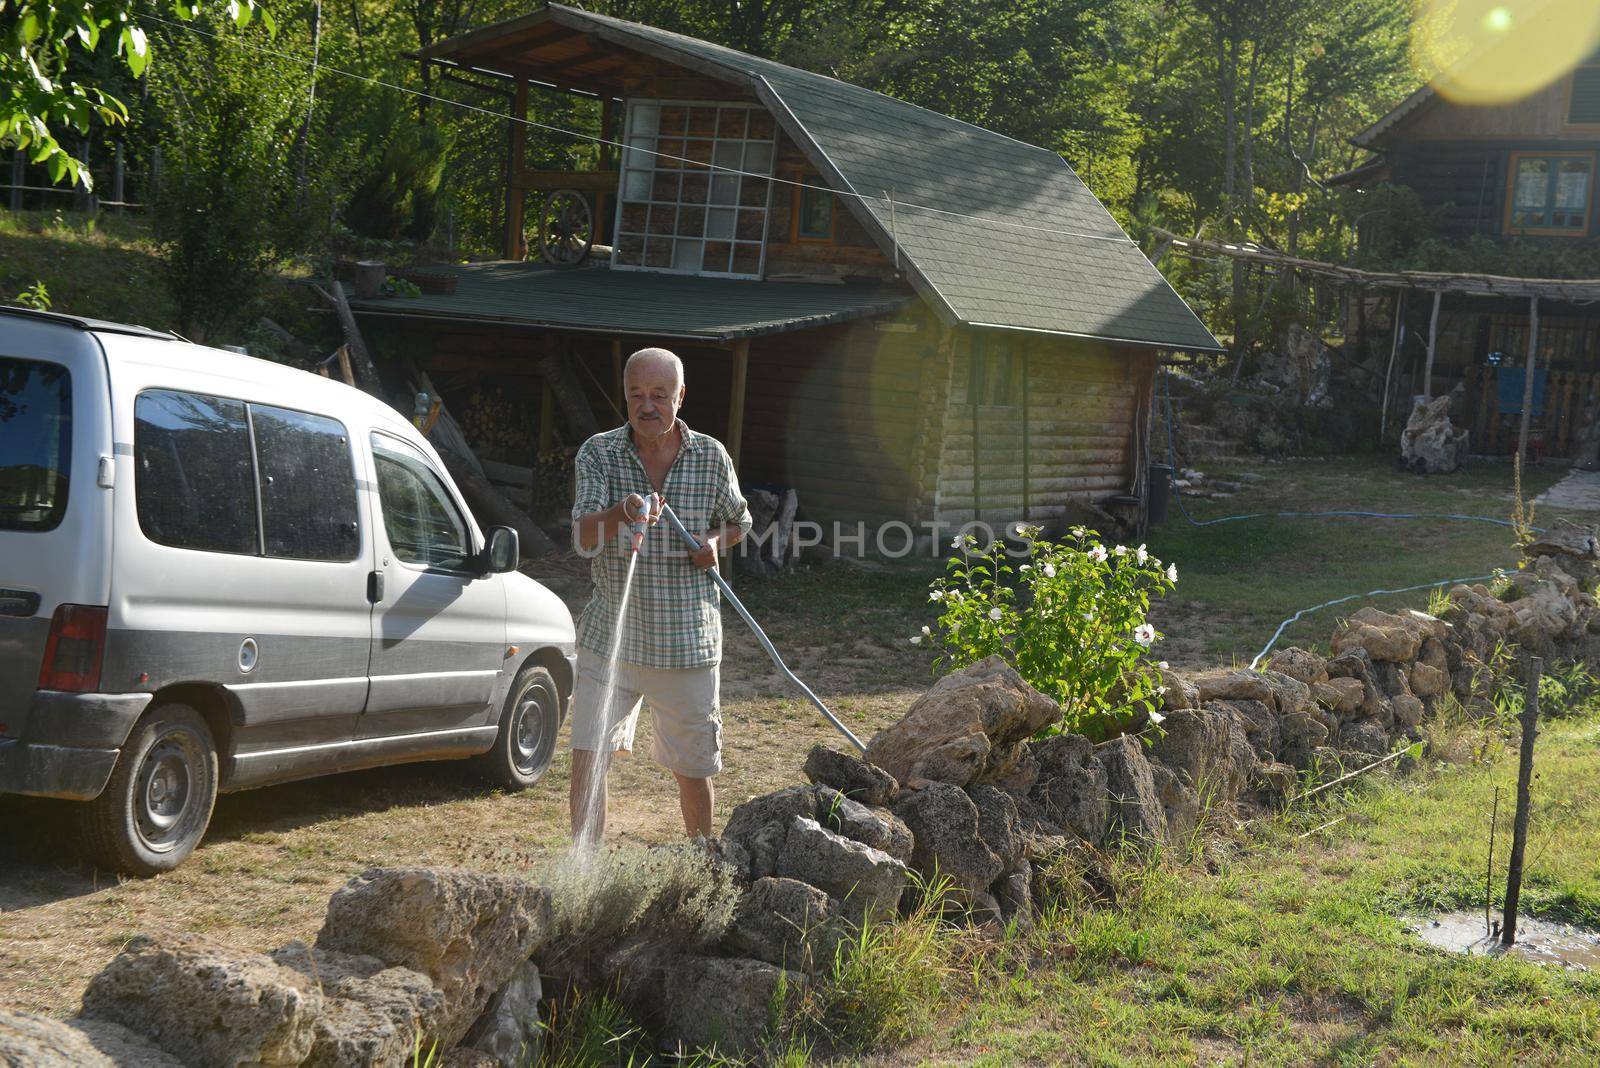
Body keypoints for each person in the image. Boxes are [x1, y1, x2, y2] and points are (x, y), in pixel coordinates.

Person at [568, 346, 752, 844]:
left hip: (686, 643)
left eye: (660, 395)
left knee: (693, 769)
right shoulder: (599, 453)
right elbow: (584, 539)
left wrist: (713, 543)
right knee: (588, 759)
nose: (648, 406)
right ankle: (583, 876)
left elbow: (740, 521)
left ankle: (700, 870)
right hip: (613, 639)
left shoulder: (710, 455)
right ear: (624, 396)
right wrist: (618, 514)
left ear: (681, 396)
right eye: (637, 395)